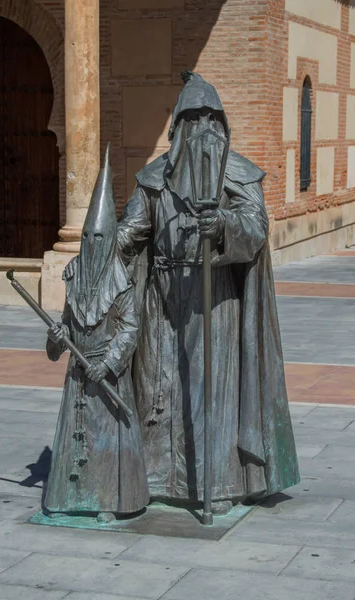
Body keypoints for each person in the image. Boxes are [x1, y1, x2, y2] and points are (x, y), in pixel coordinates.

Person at [116, 71, 299, 513]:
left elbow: (255, 228)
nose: (202, 128)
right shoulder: (154, 177)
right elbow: (132, 230)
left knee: (207, 391)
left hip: (214, 299)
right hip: (161, 300)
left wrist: (222, 226)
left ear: (221, 124)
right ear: (177, 124)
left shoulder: (237, 174)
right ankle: (160, 480)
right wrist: (100, 248)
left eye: (209, 119)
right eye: (192, 118)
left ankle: (214, 484)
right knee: (157, 390)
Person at [44, 146, 149, 523]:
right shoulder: (74, 276)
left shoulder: (121, 280)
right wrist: (58, 336)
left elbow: (129, 328)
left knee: (106, 439)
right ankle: (72, 498)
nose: (92, 243)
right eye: (88, 235)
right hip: (78, 376)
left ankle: (109, 499)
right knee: (76, 437)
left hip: (106, 376)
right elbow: (67, 327)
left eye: (100, 236)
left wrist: (106, 365)